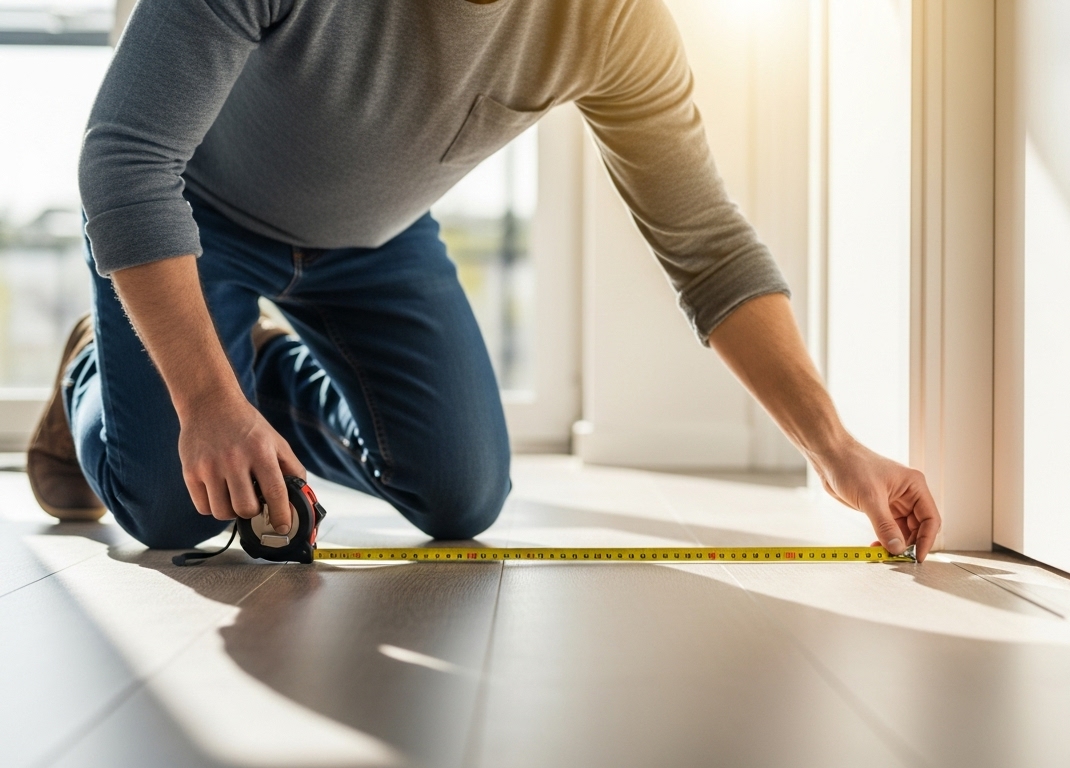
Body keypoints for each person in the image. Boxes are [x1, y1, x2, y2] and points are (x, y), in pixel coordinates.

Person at [28, 0, 939, 560]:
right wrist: (203, 405)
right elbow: (124, 163)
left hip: (375, 240)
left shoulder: (616, 21)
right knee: (171, 514)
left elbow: (707, 245)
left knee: (460, 495)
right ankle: (96, 369)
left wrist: (834, 448)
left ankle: (252, 371)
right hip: (199, 218)